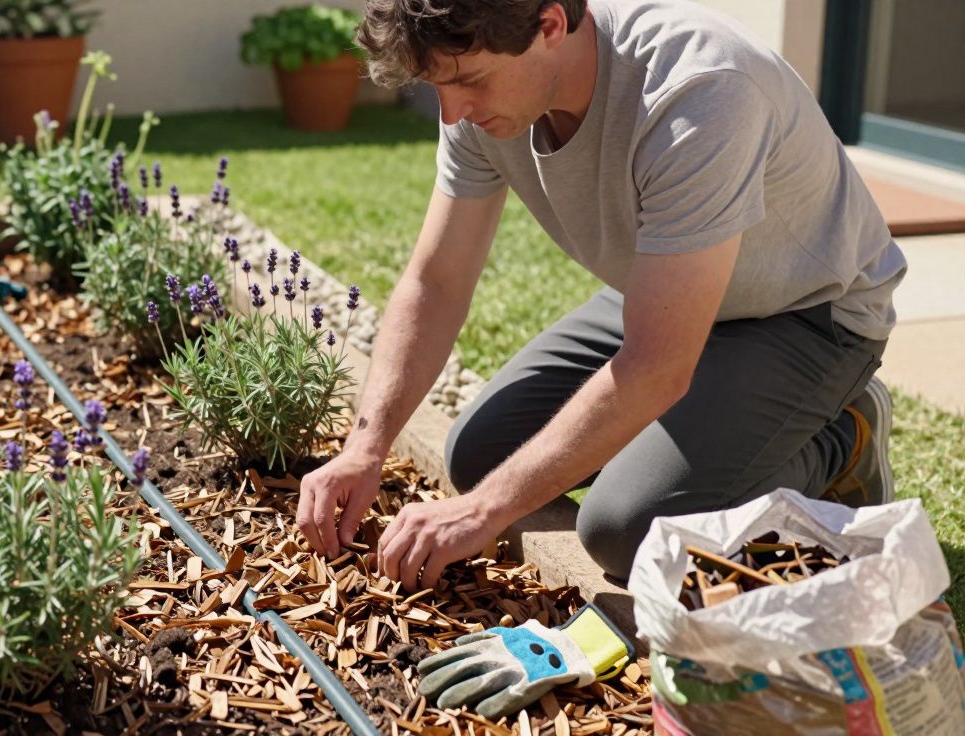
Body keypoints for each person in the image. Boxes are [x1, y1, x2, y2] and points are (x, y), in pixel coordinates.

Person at [295, 0, 906, 592]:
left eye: (469, 82)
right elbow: (437, 280)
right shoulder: (481, 95)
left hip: (806, 314)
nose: (453, 113)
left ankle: (844, 440)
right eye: (438, 88)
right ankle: (718, 429)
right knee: (480, 456)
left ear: (550, 24)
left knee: (626, 527)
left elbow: (657, 366)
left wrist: (483, 513)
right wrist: (366, 447)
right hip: (666, 285)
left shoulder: (698, 89)